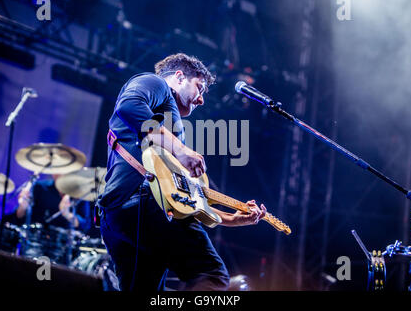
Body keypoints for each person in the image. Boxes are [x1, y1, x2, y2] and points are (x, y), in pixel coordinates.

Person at [97, 53, 267, 291]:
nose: (201, 100)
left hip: (119, 214)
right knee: (212, 276)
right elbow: (128, 106)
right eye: (200, 88)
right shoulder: (155, 84)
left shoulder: (166, 129)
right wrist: (180, 148)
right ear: (178, 77)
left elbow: (183, 198)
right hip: (146, 204)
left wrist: (231, 219)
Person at [13, 174, 91, 231]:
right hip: (35, 241)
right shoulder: (40, 187)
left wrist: (67, 214)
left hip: (64, 246)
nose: (60, 173)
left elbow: (85, 225)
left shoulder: (80, 193)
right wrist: (22, 207)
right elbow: (18, 217)